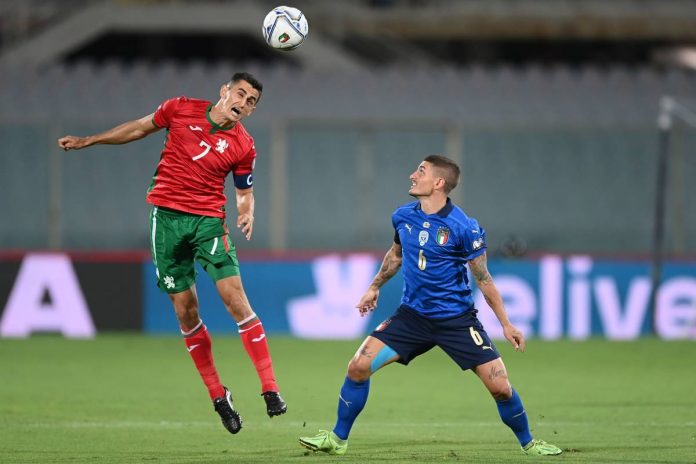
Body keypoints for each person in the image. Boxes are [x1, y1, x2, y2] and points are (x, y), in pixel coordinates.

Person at [58, 72, 286, 435]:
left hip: (208, 223)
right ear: (224, 91)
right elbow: (138, 128)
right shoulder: (180, 109)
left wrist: (247, 212)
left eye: (251, 101)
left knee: (236, 300)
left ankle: (270, 389)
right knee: (185, 311)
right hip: (165, 221)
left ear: (252, 110)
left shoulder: (244, 145)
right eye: (240, 94)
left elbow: (244, 191)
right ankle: (218, 395)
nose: (243, 103)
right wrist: (90, 140)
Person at [299, 155, 562, 456]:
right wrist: (374, 286)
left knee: (500, 386)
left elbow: (484, 279)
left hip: (457, 320)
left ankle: (529, 443)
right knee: (358, 366)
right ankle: (337, 440)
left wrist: (506, 323)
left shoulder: (464, 227)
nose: (412, 175)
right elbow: (395, 256)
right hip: (412, 317)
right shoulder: (403, 216)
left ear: (438, 183)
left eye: (421, 171)